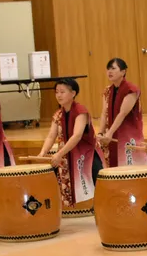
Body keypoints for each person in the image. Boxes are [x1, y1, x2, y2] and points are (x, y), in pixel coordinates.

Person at [38, 79, 104, 211]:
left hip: (87, 155)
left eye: (62, 92)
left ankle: (105, 209)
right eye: (56, 92)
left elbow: (77, 136)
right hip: (67, 154)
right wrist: (42, 152)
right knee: (49, 176)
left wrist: (59, 154)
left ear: (73, 93)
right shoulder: (58, 114)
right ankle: (49, 210)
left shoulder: (81, 111)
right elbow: (51, 136)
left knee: (100, 182)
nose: (59, 95)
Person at [97, 58, 147, 168]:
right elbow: (104, 113)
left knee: (131, 167)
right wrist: (101, 132)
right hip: (112, 133)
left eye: (113, 68)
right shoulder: (107, 91)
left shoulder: (131, 89)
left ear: (123, 72)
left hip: (128, 134)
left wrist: (109, 133)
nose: (109, 72)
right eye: (108, 69)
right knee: (114, 167)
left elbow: (122, 113)